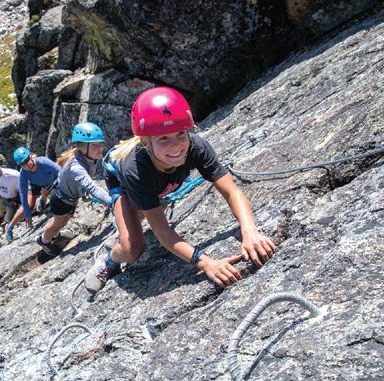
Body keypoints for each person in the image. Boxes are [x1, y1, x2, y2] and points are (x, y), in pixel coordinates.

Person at [84, 86, 276, 294]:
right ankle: (109, 260)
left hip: (152, 181)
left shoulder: (196, 147)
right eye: (163, 138)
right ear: (146, 143)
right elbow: (162, 232)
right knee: (132, 247)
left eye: (180, 133)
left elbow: (231, 192)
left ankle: (129, 224)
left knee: (144, 209)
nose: (175, 145)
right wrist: (206, 263)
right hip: (120, 180)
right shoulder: (135, 169)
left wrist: (249, 231)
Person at [36, 122, 115, 256]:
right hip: (61, 199)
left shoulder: (88, 157)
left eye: (100, 143)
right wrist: (112, 201)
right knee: (59, 223)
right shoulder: (76, 167)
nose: (100, 148)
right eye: (94, 145)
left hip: (68, 196)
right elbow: (92, 187)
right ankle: (44, 240)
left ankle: (54, 235)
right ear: (83, 148)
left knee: (66, 218)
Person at [11, 146, 60, 230]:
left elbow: (61, 172)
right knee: (29, 206)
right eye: (22, 164)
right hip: (36, 184)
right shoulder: (23, 173)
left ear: (30, 156)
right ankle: (10, 226)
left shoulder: (43, 161)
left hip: (53, 182)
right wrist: (28, 216)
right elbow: (23, 195)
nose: (26, 165)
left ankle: (43, 197)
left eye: (26, 160)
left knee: (55, 196)